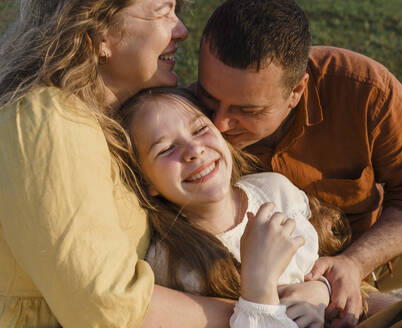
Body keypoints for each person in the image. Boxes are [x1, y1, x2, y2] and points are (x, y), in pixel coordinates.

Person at [0, 1, 338, 327]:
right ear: (99, 34)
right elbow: (107, 308)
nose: (182, 30)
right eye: (163, 12)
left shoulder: (116, 117)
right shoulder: (47, 120)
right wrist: (268, 306)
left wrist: (321, 289)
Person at [195, 0, 402, 326]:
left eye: (247, 111)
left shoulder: (363, 89)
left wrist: (355, 264)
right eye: (210, 98)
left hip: (370, 248)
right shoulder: (180, 122)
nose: (219, 124)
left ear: (297, 90)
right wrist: (318, 289)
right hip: (283, 289)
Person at [117, 86, 402, 328]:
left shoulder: (273, 191)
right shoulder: (172, 260)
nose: (193, 149)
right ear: (147, 183)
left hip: (348, 318)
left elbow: (319, 267)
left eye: (199, 130)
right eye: (165, 149)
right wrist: (260, 282)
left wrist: (320, 293)